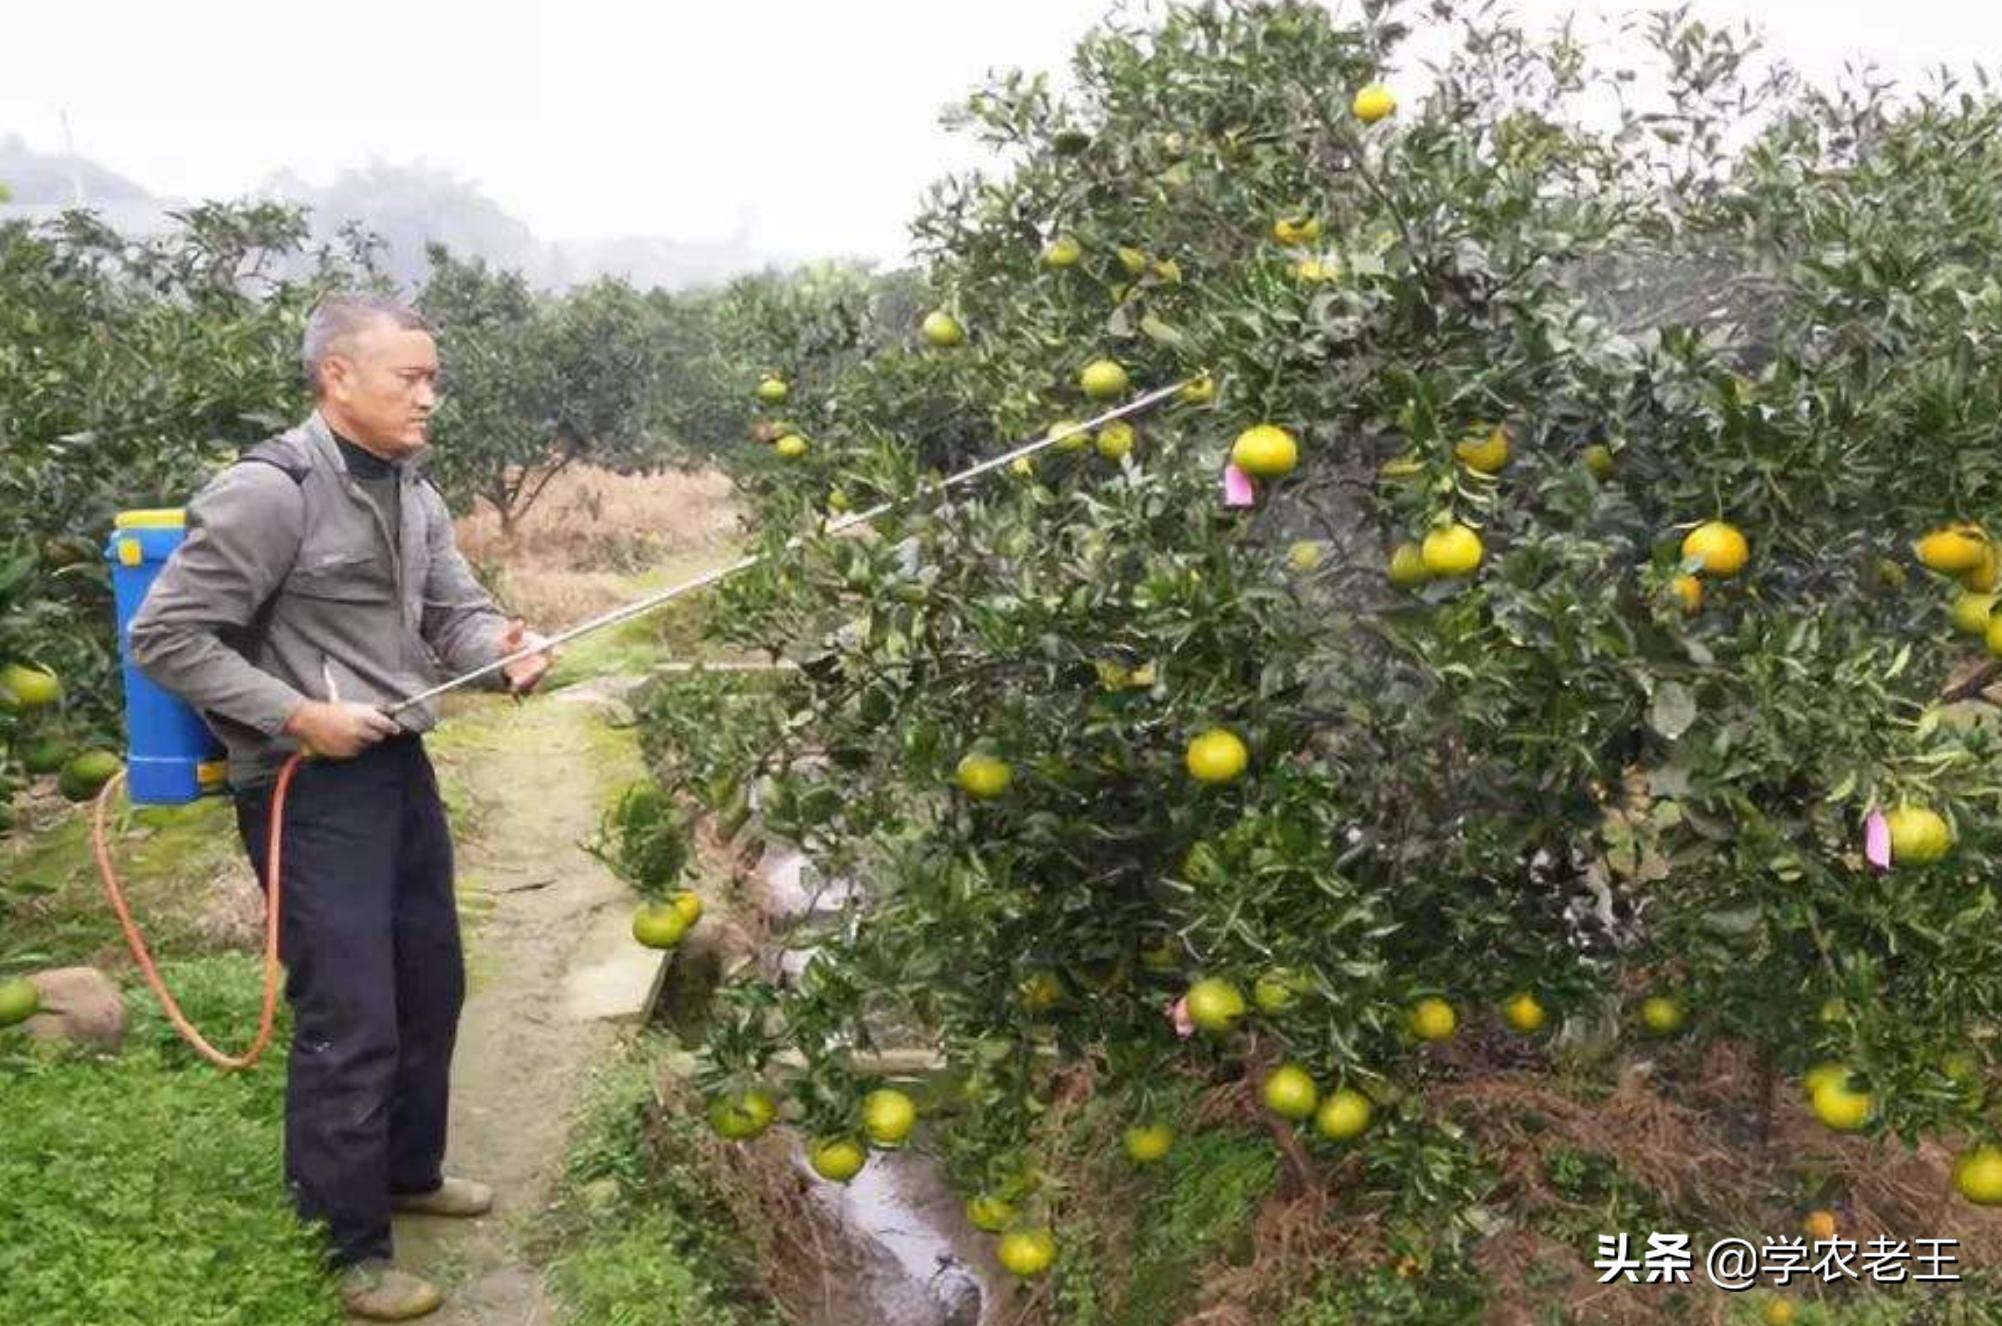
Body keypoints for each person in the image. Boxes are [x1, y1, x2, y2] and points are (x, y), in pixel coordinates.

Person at [130, 292, 553, 1321]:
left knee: (429, 985)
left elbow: (453, 613)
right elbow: (167, 639)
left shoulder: (412, 491)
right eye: (410, 377)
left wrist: (502, 651)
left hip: (396, 768)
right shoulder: (268, 493)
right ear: (337, 378)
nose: (429, 397)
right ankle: (345, 1243)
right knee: (351, 1011)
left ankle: (408, 1170)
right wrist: (293, 717)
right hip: (305, 788)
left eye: (432, 377)